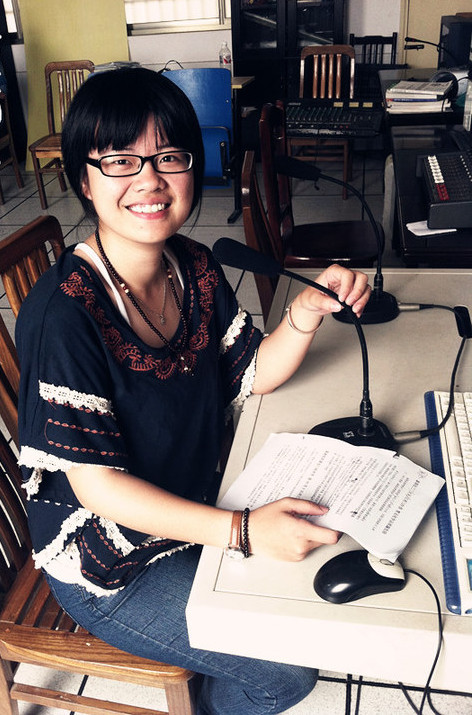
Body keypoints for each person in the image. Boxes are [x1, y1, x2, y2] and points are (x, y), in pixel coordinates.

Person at [16, 67, 371, 715]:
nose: (149, 180)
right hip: (112, 562)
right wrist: (242, 531)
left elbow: (251, 372)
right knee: (288, 671)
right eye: (120, 160)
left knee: (327, 572)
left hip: (199, 503)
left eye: (169, 157)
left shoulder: (193, 264)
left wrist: (305, 313)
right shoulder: (64, 314)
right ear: (84, 180)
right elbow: (100, 490)